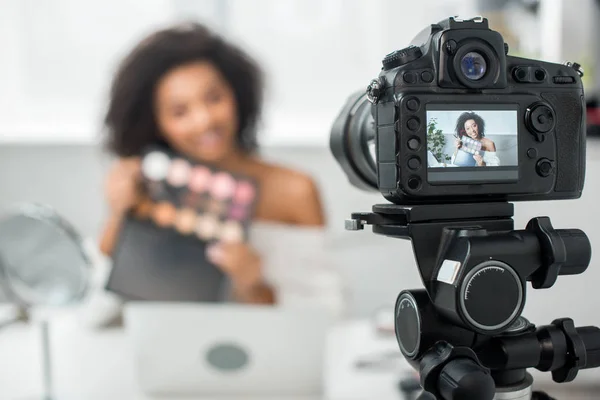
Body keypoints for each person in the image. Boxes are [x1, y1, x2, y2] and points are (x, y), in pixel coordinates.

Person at [83, 22, 344, 327]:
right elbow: (95, 317)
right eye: (180, 112)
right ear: (156, 123)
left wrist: (254, 286)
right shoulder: (146, 189)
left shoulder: (294, 191)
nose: (204, 120)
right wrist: (117, 215)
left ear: (236, 94)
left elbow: (328, 319)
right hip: (166, 355)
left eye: (214, 98)